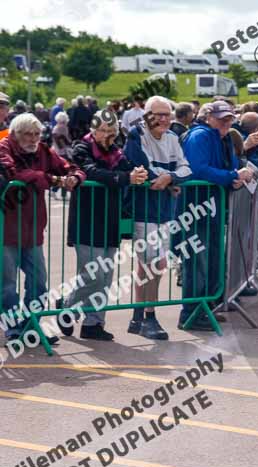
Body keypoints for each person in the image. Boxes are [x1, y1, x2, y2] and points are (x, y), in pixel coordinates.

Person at [0, 113, 85, 345]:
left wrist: (74, 177)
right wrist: (53, 180)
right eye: (28, 134)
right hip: (6, 227)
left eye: (37, 134)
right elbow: (13, 173)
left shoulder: (43, 150)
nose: (33, 138)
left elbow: (70, 166)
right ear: (16, 134)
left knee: (38, 280)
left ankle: (31, 324)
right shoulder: (4, 146)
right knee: (6, 283)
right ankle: (13, 327)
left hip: (33, 229)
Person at [64, 110, 149, 340]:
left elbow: (128, 167)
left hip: (110, 220)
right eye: (102, 130)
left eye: (111, 131)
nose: (107, 136)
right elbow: (91, 172)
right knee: (92, 275)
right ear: (93, 129)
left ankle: (94, 324)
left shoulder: (116, 151)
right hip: (86, 220)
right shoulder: (81, 147)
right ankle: (67, 308)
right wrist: (125, 178)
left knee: (106, 277)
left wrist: (137, 173)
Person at [123, 95, 192, 340]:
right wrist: (167, 178)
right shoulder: (136, 134)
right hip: (143, 207)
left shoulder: (173, 137)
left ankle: (138, 317)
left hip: (165, 209)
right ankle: (149, 316)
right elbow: (141, 166)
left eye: (167, 114)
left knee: (148, 265)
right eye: (158, 114)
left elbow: (186, 167)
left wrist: (170, 178)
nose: (163, 119)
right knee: (157, 264)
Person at [181, 101, 252, 331]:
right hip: (194, 209)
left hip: (212, 208)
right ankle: (191, 313)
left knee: (212, 261)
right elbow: (197, 169)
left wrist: (236, 178)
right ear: (208, 117)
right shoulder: (199, 136)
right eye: (222, 117)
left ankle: (204, 309)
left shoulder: (225, 139)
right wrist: (232, 175)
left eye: (230, 118)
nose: (226, 121)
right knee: (197, 263)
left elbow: (226, 168)